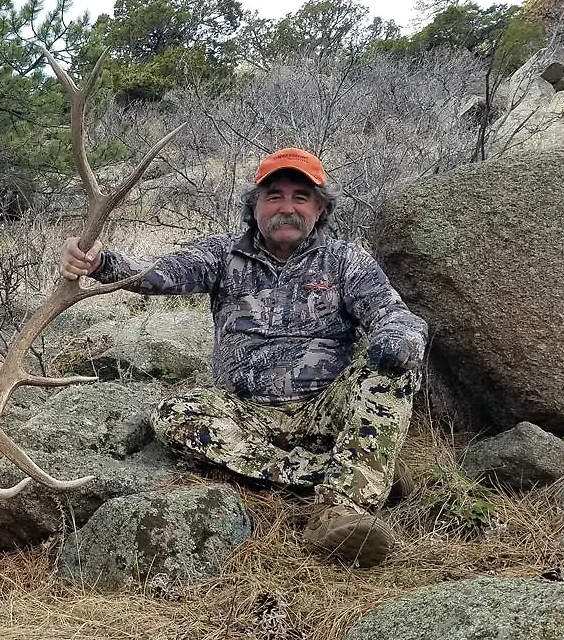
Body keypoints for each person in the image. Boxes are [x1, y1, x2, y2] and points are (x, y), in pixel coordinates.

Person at [59, 147, 428, 568]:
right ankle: (358, 469)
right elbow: (156, 274)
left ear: (321, 208)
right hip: (243, 415)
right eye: (274, 196)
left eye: (300, 197)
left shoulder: (345, 261)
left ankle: (340, 510)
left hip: (325, 411)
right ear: (254, 205)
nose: (286, 208)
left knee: (391, 373)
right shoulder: (222, 253)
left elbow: (396, 315)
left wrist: (398, 337)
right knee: (175, 413)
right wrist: (100, 261)